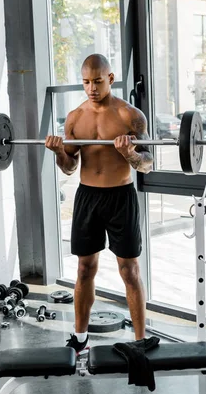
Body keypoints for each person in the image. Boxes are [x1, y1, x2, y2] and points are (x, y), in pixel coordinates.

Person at [45, 54, 153, 353]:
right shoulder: (75, 118)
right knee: (83, 269)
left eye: (97, 81)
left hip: (121, 197)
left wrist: (130, 154)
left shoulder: (130, 116)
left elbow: (147, 164)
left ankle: (140, 341)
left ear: (111, 79)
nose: (91, 88)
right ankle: (80, 338)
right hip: (88, 197)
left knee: (129, 270)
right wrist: (58, 153)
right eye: (86, 82)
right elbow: (69, 167)